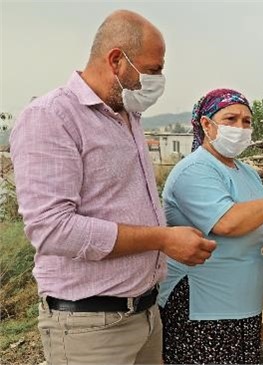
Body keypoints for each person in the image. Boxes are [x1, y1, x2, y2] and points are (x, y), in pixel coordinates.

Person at [9, 10, 217, 364]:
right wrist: (163, 239)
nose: (159, 80)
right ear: (117, 60)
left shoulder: (128, 114)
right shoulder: (52, 117)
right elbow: (52, 229)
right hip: (90, 326)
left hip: (144, 314)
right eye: (152, 70)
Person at [157, 88, 263, 364]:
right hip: (203, 309)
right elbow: (228, 222)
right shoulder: (194, 170)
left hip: (244, 307)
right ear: (206, 125)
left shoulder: (244, 172)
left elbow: (262, 223)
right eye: (231, 119)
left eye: (246, 121)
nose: (240, 128)